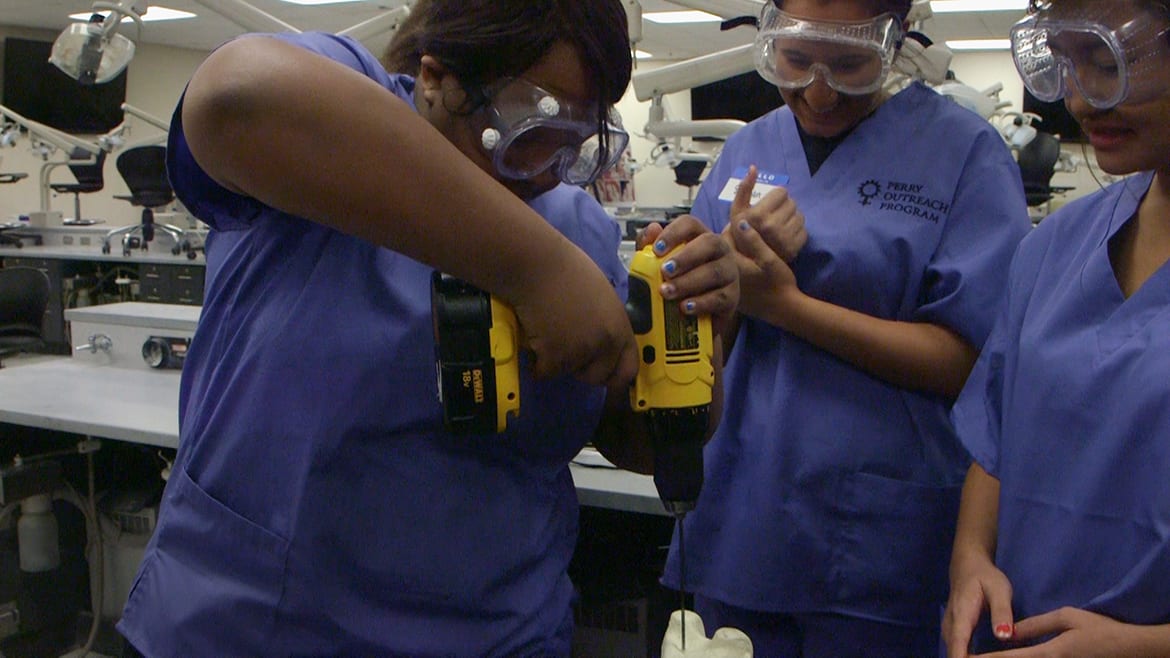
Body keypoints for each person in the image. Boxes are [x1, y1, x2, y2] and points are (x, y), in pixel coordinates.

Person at [114, 1, 739, 655]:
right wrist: (535, 269)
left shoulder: (576, 227)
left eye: (578, 142)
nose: (547, 171)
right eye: (531, 128)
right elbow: (237, 95)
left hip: (496, 633)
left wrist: (703, 326)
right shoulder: (334, 123)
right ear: (435, 80)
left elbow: (633, 440)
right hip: (258, 627)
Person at [659, 0, 1033, 654]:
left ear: (894, 39)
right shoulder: (749, 147)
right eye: (796, 61)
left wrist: (785, 304)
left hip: (881, 545)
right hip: (744, 519)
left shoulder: (964, 154)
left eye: (850, 64)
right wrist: (718, 279)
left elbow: (972, 363)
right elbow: (702, 341)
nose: (820, 91)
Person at [943, 1, 1170, 655]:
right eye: (1068, 64)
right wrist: (970, 561)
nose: (1080, 99)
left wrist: (1140, 646)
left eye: (1109, 63)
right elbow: (999, 438)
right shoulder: (1057, 245)